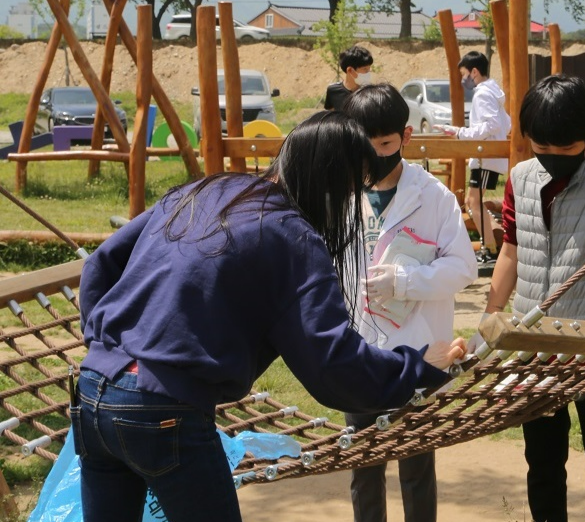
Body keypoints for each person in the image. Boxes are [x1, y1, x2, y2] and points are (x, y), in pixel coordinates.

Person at [73, 111, 466, 522]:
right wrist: (416, 366)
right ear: (330, 185)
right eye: (351, 191)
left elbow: (100, 265)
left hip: (93, 391)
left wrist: (105, 349)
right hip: (164, 408)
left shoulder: (205, 189)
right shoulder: (292, 236)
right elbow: (334, 364)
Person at [473, 74, 585, 522]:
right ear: (528, 138)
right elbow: (511, 248)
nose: (552, 160)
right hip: (533, 342)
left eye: (565, 151)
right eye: (541, 149)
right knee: (543, 460)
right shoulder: (519, 177)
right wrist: (492, 316)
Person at [341, 84, 477, 522]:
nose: (376, 155)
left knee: (416, 462)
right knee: (364, 462)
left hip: (421, 347)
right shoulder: (341, 195)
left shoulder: (434, 197)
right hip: (360, 348)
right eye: (366, 146)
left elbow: (463, 269)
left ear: (405, 136)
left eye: (385, 144)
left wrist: (406, 280)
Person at [435, 51, 512, 265]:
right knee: (473, 202)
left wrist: (460, 133)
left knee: (473, 203)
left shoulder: (482, 94)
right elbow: (506, 123)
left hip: (485, 156)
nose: (463, 79)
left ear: (474, 71)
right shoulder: (493, 92)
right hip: (485, 155)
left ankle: (491, 248)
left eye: (464, 74)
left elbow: (492, 125)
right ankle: (490, 246)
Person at [324, 45, 374, 111]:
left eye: (369, 68)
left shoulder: (371, 93)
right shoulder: (333, 91)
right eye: (365, 69)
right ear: (350, 70)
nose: (368, 73)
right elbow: (330, 117)